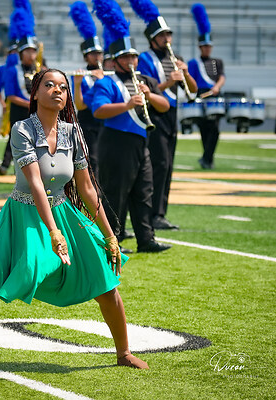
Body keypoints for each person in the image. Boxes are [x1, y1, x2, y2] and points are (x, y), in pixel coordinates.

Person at [0, 68, 149, 372]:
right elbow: (35, 183)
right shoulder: (21, 129)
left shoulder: (73, 132)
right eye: (49, 85)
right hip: (22, 216)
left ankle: (123, 353)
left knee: (105, 282)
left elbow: (87, 188)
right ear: (35, 93)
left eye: (62, 87)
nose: (57, 90)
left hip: (62, 212)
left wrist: (110, 235)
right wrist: (53, 232)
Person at [91, 0, 171, 254]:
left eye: (133, 56)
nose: (131, 60)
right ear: (115, 61)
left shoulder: (145, 80)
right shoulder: (107, 82)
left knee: (143, 191)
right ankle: (112, 239)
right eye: (126, 57)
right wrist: (126, 105)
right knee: (115, 193)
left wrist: (150, 95)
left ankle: (146, 239)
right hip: (116, 141)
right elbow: (98, 110)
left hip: (140, 142)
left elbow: (164, 106)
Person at [131, 0, 197, 230]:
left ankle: (160, 213)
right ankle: (152, 214)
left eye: (168, 34)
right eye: (162, 36)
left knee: (168, 165)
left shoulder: (175, 58)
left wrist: (186, 74)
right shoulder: (145, 58)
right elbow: (147, 89)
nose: (167, 39)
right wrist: (170, 81)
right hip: (154, 114)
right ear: (152, 39)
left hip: (172, 114)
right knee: (159, 164)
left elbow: (193, 90)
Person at [0, 5, 39, 176]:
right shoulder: (12, 70)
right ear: (21, 54)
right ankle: (13, 168)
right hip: (19, 110)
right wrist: (29, 104)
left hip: (36, 111)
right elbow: (11, 95)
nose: (31, 55)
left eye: (33, 51)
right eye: (28, 51)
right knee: (16, 139)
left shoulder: (40, 70)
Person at [69, 1, 105, 177]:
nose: (97, 57)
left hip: (105, 121)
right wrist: (77, 83)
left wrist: (103, 80)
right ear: (86, 57)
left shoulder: (108, 74)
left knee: (106, 159)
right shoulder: (80, 76)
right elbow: (80, 105)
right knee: (92, 160)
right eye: (93, 54)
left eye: (99, 53)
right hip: (88, 123)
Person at [187, 3, 225, 170]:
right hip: (201, 96)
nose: (207, 49)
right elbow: (192, 80)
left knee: (215, 130)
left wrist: (217, 87)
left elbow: (221, 76)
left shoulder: (217, 62)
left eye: (209, 46)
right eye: (205, 46)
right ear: (200, 47)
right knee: (204, 129)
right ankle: (207, 160)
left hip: (214, 96)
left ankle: (206, 158)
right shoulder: (194, 63)